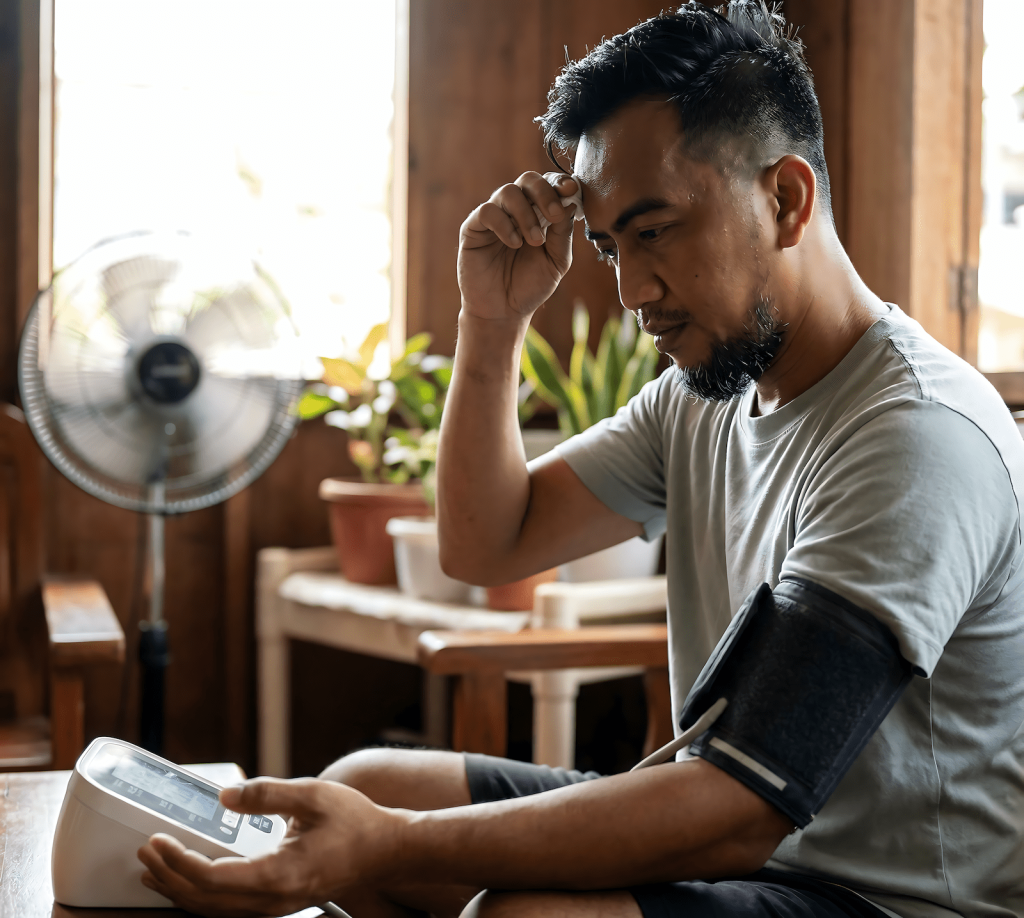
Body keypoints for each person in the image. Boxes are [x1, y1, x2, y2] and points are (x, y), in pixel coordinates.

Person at [137, 3, 1024, 917]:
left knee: (513, 911)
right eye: (608, 246)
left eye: (655, 231)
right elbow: (486, 544)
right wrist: (492, 323)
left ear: (786, 200)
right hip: (745, 853)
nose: (632, 291)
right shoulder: (707, 394)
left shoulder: (916, 435)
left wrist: (388, 848)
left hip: (880, 897)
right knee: (371, 781)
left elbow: (745, 805)